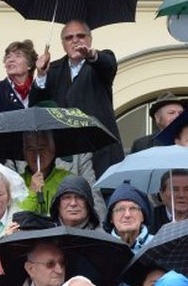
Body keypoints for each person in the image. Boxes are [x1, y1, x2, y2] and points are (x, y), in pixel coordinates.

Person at [30, 19, 124, 178]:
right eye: (69, 37)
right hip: (65, 154)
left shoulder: (99, 62)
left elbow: (108, 64)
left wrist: (92, 55)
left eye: (80, 36)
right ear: (63, 43)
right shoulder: (52, 69)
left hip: (100, 154)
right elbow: (36, 105)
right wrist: (40, 74)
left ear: (90, 39)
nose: (75, 40)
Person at [17, 131, 73, 217]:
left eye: (41, 149)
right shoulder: (15, 182)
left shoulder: (68, 179)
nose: (37, 154)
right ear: (24, 154)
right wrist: (32, 191)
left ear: (52, 150)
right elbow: (16, 218)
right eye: (30, 149)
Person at [106, 182, 153, 254]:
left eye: (133, 208)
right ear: (111, 218)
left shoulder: (158, 246)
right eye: (120, 209)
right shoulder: (102, 249)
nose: (127, 215)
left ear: (143, 216)